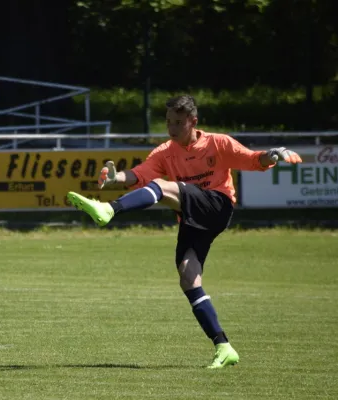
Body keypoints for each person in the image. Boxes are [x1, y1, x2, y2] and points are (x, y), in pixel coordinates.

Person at [66, 95, 302, 369]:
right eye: (168, 122)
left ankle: (109, 210)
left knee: (164, 186)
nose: (171, 128)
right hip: (191, 217)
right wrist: (114, 177)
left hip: (217, 206)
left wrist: (272, 154)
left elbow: (252, 160)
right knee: (188, 276)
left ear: (193, 121)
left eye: (178, 122)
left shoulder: (218, 142)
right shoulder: (165, 151)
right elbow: (139, 174)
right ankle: (223, 346)